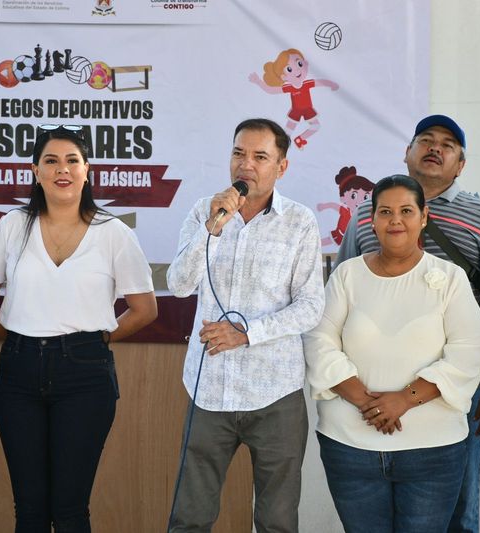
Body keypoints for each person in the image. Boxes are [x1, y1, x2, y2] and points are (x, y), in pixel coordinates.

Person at [0, 125, 157, 533]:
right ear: (35, 170)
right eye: (51, 161)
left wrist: (98, 340)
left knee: (70, 510)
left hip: (86, 375)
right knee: (30, 511)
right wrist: (21, 335)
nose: (62, 169)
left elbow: (143, 309)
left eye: (72, 160)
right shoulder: (13, 225)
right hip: (18, 374)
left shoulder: (115, 233)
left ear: (88, 169)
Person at [336, 115, 480, 532]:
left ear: (460, 164)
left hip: (453, 388)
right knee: (375, 514)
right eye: (426, 140)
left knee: (457, 512)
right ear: (407, 153)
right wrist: (347, 385)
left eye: (448, 144)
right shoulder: (367, 215)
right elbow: (337, 299)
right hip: (371, 392)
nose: (435, 147)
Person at [305, 175, 480, 532]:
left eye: (406, 210)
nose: (395, 220)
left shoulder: (449, 278)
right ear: (371, 219)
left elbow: (471, 349)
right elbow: (318, 339)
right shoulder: (347, 275)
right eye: (385, 211)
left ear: (423, 218)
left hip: (432, 451)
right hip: (350, 447)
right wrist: (367, 402)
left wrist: (404, 399)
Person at [166, 118, 324, 532]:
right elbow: (179, 285)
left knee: (276, 521)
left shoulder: (300, 222)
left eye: (259, 157)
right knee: (190, 517)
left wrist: (248, 333)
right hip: (209, 390)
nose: (246, 165)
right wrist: (213, 228)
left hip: (275, 394)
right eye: (238, 153)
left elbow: (310, 307)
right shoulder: (205, 211)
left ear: (281, 167)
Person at [248, 49, 339, 149]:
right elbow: (271, 90)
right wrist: (258, 81)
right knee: (287, 132)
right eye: (289, 69)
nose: (297, 70)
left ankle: (300, 139)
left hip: (308, 110)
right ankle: (278, 149)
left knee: (315, 126)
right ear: (283, 77)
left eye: (299, 64)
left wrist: (332, 84)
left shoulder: (306, 84)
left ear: (306, 64)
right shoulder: (289, 88)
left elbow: (320, 82)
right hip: (296, 111)